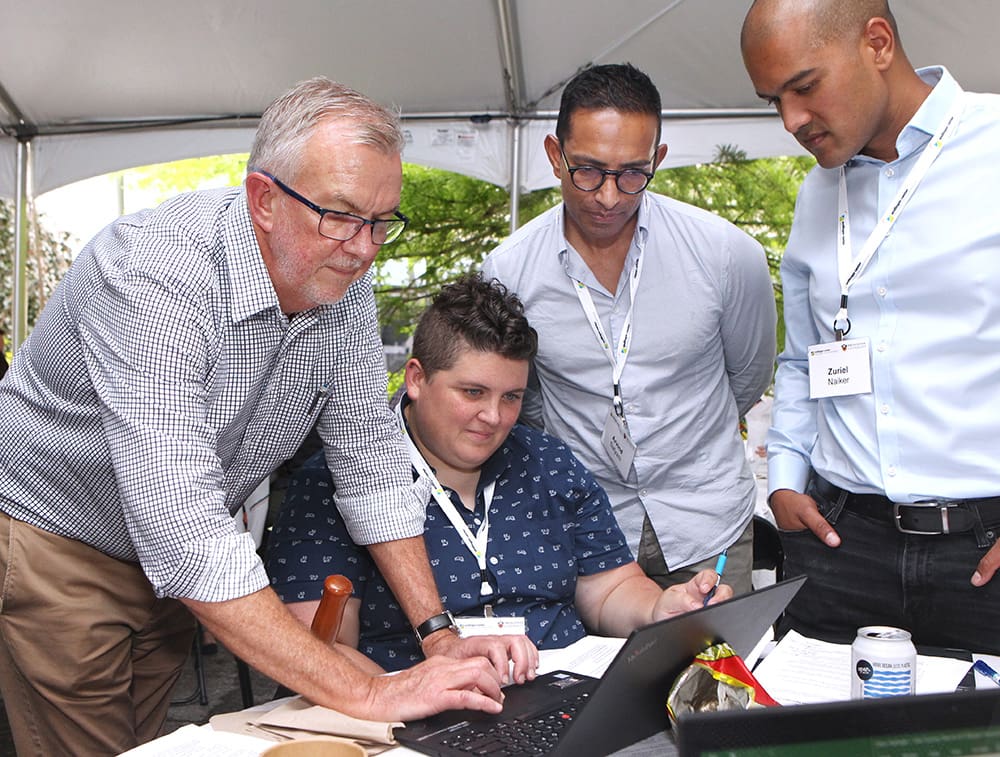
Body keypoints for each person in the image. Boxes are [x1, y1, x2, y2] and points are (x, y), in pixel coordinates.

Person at [0, 78, 516, 757]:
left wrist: (438, 634)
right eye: (340, 215)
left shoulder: (345, 287)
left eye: (381, 221)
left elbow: (373, 470)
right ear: (264, 199)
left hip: (172, 561)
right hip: (59, 540)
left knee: (145, 744)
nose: (363, 248)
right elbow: (186, 534)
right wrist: (368, 693)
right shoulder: (156, 273)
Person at [266, 273, 731, 672]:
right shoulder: (335, 480)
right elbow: (321, 648)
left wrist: (659, 608)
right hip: (418, 716)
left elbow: (611, 588)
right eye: (472, 392)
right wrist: (419, 695)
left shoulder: (551, 463)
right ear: (416, 379)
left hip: (561, 699)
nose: (494, 417)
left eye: (511, 397)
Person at [741, 0, 1000, 654]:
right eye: (774, 99)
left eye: (804, 87)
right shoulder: (815, 194)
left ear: (878, 43)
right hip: (839, 542)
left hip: (983, 555)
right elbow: (802, 359)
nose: (791, 120)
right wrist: (784, 480)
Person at [481, 64, 776, 596]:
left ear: (658, 159)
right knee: (594, 678)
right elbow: (526, 402)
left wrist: (684, 438)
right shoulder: (509, 271)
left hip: (707, 522)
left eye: (633, 173)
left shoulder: (727, 255)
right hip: (585, 528)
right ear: (555, 155)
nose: (610, 197)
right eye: (588, 171)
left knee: (720, 677)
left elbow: (750, 373)